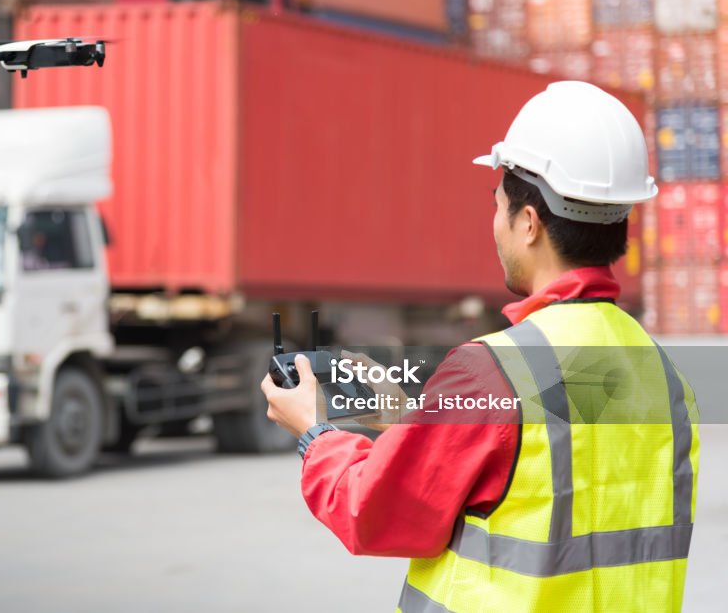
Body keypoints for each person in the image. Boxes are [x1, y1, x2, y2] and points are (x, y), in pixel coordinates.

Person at [260, 81, 700, 612]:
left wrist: (314, 431)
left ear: (529, 223)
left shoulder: (495, 370)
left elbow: (372, 512)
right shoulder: (664, 374)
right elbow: (540, 462)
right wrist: (410, 419)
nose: (495, 226)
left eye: (498, 207)